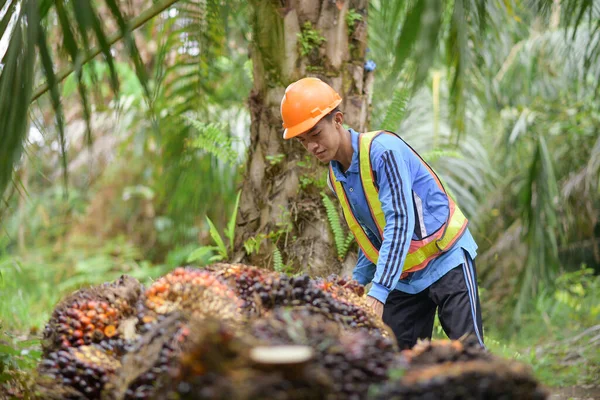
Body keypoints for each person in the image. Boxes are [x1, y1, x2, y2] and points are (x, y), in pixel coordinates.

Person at [279, 77, 484, 350]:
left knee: (471, 356)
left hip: (445, 259)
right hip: (403, 276)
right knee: (395, 365)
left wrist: (378, 292)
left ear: (338, 120)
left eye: (315, 134)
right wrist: (356, 283)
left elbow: (399, 223)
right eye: (304, 141)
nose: (312, 146)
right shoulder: (335, 176)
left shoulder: (382, 152)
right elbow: (373, 235)